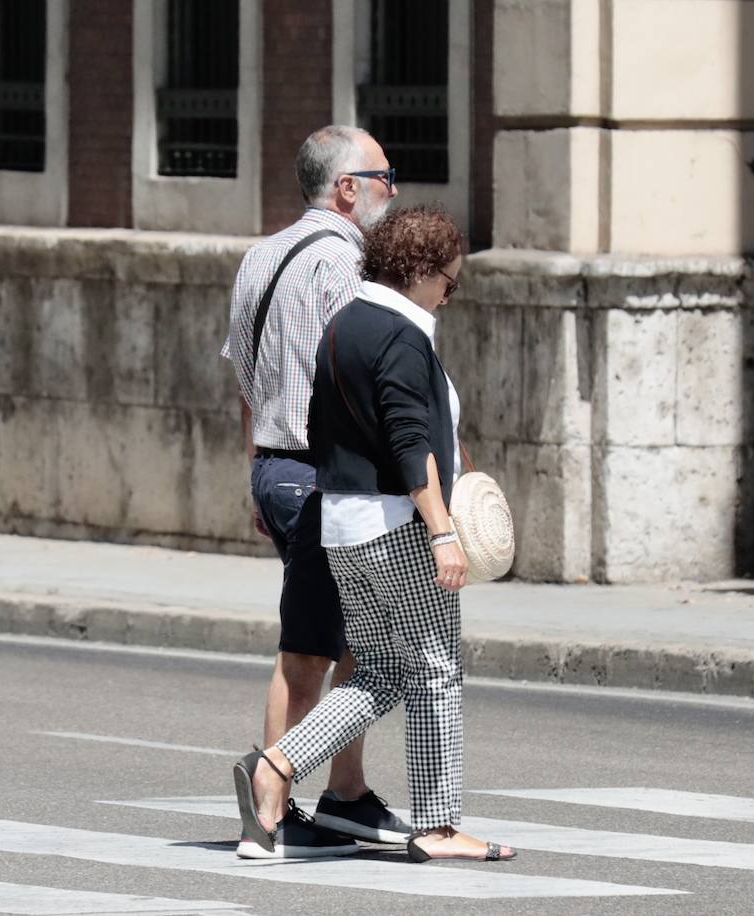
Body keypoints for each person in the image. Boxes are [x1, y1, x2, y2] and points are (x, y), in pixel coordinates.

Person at [233, 206, 517, 863]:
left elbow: (323, 422)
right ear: (417, 272)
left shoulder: (344, 326)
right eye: (449, 280)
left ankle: (274, 766)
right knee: (437, 670)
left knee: (383, 671)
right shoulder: (399, 336)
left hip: (344, 529)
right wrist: (443, 533)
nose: (450, 292)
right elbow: (408, 438)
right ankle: (440, 827)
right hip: (397, 529)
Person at [220, 126, 410, 858]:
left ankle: (348, 794)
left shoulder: (260, 256)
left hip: (276, 467)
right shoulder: (348, 263)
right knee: (307, 647)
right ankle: (273, 809)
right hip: (326, 476)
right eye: (383, 177)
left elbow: (244, 376)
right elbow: (362, 379)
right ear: (346, 189)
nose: (392, 190)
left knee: (355, 635)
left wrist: (257, 469)